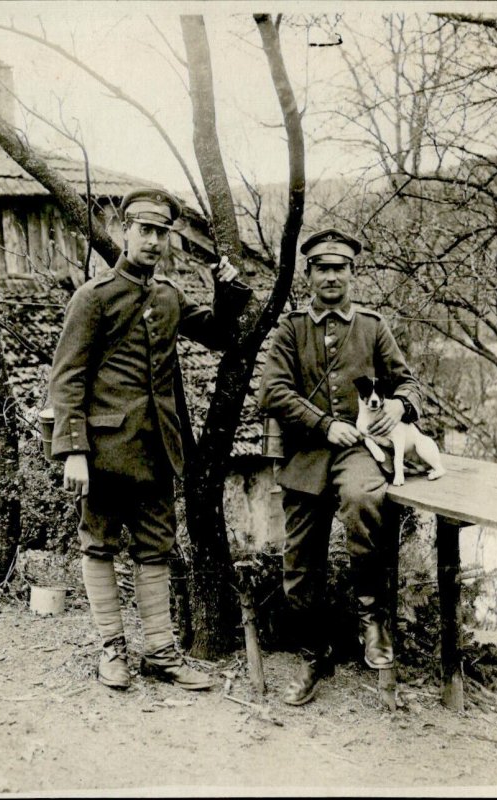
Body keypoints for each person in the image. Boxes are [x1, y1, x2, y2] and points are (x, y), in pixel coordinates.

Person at [49, 187, 250, 691]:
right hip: (103, 452)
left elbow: (221, 335)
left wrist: (226, 290)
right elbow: (67, 377)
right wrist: (73, 449)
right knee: (98, 545)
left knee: (154, 550)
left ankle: (160, 652)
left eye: (163, 232)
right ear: (124, 231)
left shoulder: (168, 297)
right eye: (146, 230)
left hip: (159, 450)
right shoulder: (93, 298)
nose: (155, 241)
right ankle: (112, 649)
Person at [258, 228, 422, 706]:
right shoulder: (291, 329)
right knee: (298, 559)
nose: (331, 277)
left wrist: (399, 407)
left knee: (364, 499)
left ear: (353, 274)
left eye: (340, 268)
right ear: (308, 275)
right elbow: (272, 390)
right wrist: (324, 424)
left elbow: (408, 383)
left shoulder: (372, 326)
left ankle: (372, 621)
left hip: (362, 451)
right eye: (322, 268)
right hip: (307, 452)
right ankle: (313, 653)